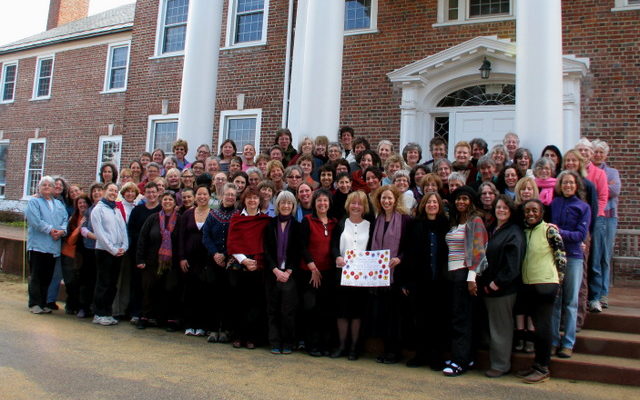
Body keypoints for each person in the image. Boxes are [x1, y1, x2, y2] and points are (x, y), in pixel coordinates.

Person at [515, 199, 566, 384]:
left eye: (534, 210)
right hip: (529, 284)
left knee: (544, 329)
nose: (530, 214)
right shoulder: (525, 231)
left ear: (542, 212)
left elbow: (561, 255)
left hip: (546, 284)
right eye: (527, 210)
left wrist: (558, 281)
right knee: (537, 328)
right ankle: (536, 364)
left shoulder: (549, 230)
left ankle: (543, 367)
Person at [443, 186, 488, 377]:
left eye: (465, 199)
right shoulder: (455, 221)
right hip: (452, 275)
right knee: (456, 317)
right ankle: (462, 355)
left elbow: (479, 250)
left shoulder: (475, 221)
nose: (461, 202)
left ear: (471, 201)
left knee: (462, 319)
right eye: (458, 199)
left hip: (464, 275)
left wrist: (472, 278)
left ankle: (460, 362)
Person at [478, 195, 525, 378]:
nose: (501, 210)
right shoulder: (492, 229)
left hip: (502, 290)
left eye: (505, 208)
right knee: (492, 328)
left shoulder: (514, 232)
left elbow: (512, 265)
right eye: (498, 207)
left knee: (501, 329)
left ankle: (500, 364)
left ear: (511, 210)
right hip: (487, 287)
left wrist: (496, 284)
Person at [402, 192, 449, 369]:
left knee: (437, 321)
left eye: (435, 202)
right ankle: (420, 355)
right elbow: (408, 252)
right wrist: (407, 280)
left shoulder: (445, 225)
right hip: (419, 281)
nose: (431, 205)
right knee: (420, 320)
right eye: (428, 202)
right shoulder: (416, 225)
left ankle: (436, 357)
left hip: (439, 280)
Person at [550, 171, 591, 359]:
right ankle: (552, 341)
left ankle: (568, 343)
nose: (567, 185)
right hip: (554, 255)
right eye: (564, 182)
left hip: (573, 256)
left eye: (571, 183)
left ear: (576, 185)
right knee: (556, 301)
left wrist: (560, 232)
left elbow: (580, 235)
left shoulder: (583, 207)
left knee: (571, 302)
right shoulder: (555, 203)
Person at [225, 187, 272, 349]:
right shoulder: (236, 219)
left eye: (255, 198)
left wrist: (256, 262)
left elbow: (267, 244)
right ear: (244, 200)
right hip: (239, 266)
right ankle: (238, 336)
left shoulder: (265, 220)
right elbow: (232, 243)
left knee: (255, 303)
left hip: (258, 266)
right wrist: (244, 260)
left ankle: (252, 337)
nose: (252, 201)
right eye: (249, 198)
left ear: (260, 201)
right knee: (239, 302)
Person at [369, 185, 410, 364]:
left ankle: (396, 351)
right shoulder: (377, 220)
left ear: (395, 200)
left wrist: (400, 258)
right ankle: (386, 350)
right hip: (380, 277)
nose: (386, 201)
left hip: (397, 275)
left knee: (396, 316)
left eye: (389, 198)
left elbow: (410, 246)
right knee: (384, 315)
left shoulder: (405, 219)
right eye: (383, 198)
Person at [330, 191, 373, 361]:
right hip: (342, 274)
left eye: (360, 204)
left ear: (364, 207)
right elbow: (333, 246)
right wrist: (337, 257)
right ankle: (342, 345)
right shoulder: (341, 223)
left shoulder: (370, 225)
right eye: (353, 203)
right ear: (348, 205)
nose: (356, 206)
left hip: (362, 276)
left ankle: (354, 347)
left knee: (357, 313)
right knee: (342, 312)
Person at [136, 191, 182, 331]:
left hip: (172, 263)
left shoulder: (180, 220)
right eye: (165, 200)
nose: (167, 202)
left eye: (170, 200)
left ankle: (170, 319)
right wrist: (140, 259)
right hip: (152, 261)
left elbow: (182, 241)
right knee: (149, 289)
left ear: (175, 203)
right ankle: (145, 317)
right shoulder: (153, 218)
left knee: (170, 289)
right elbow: (142, 239)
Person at [299, 189, 338, 356]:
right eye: (319, 201)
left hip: (328, 272)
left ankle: (325, 344)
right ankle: (311, 344)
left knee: (326, 309)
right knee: (311, 308)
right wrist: (312, 267)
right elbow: (301, 246)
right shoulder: (307, 221)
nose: (322, 204)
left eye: (325, 201)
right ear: (314, 204)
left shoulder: (334, 222)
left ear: (329, 203)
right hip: (309, 272)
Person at [263, 191, 302, 354]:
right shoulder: (269, 225)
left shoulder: (298, 226)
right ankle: (275, 342)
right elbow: (266, 250)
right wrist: (275, 270)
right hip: (272, 273)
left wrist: (288, 271)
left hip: (290, 274)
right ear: (277, 205)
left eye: (289, 203)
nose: (286, 206)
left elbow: (298, 251)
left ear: (293, 206)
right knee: (273, 310)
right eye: (282, 203)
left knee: (288, 311)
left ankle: (288, 342)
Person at [26, 176, 69, 314]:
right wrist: (50, 230)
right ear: (39, 187)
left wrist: (62, 231)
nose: (46, 187)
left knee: (47, 277)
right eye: (43, 185)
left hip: (53, 246)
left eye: (49, 185)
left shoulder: (58, 204)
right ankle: (34, 303)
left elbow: (65, 220)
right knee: (36, 275)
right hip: (38, 246)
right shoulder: (34, 202)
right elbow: (35, 221)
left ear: (53, 188)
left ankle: (44, 302)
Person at [202, 183, 238, 343]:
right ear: (222, 196)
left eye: (233, 195)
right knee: (212, 295)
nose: (230, 197)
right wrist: (215, 253)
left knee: (228, 296)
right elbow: (206, 236)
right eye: (227, 194)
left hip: (230, 262)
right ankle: (213, 328)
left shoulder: (238, 215)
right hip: (213, 261)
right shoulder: (213, 214)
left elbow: (237, 238)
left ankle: (226, 329)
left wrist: (225, 254)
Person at [91, 183, 128, 326]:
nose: (113, 193)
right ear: (104, 191)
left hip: (118, 252)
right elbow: (100, 233)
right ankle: (99, 313)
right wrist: (112, 249)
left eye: (115, 191)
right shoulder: (98, 210)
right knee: (103, 283)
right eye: (111, 190)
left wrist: (124, 246)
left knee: (112, 284)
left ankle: (107, 312)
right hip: (104, 251)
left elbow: (122, 229)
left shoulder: (116, 209)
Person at [179, 185, 214, 337]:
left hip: (206, 259)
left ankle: (201, 325)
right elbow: (181, 237)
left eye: (204, 194)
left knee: (204, 292)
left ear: (209, 196)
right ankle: (189, 324)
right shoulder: (187, 214)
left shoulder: (213, 214)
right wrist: (181, 257)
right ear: (195, 197)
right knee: (189, 291)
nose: (202, 197)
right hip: (189, 259)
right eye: (199, 194)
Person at [590, 139, 620, 310]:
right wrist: (602, 187)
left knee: (605, 256)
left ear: (606, 154)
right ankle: (594, 293)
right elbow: (593, 191)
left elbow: (615, 190)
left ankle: (603, 293)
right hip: (594, 217)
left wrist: (600, 187)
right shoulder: (588, 172)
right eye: (596, 151)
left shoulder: (612, 172)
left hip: (609, 217)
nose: (598, 155)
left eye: (601, 152)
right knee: (594, 256)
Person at [127, 182, 162, 323]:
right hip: (139, 252)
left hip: (156, 255)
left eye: (154, 192)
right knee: (138, 284)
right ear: (144, 194)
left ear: (158, 193)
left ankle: (152, 314)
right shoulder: (138, 210)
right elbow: (131, 230)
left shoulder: (161, 210)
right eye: (148, 192)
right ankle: (136, 312)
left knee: (153, 285)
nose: (151, 195)